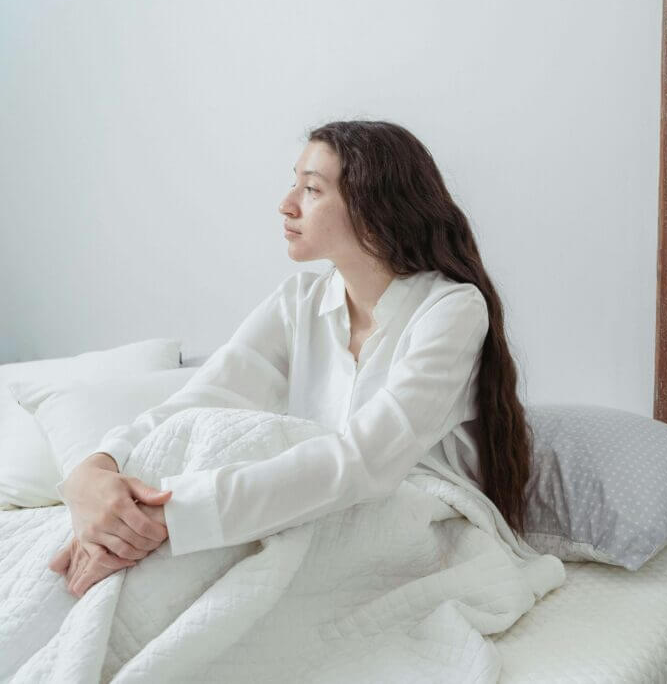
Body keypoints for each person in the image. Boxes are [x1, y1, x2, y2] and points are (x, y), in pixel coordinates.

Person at [49, 120, 534, 597]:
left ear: (375, 207)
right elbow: (198, 402)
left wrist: (168, 519)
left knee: (183, 538)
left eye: (311, 189)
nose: (286, 204)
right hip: (309, 506)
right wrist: (97, 469)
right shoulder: (298, 300)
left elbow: (366, 462)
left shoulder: (451, 309)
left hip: (416, 518)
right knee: (197, 438)